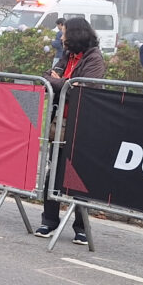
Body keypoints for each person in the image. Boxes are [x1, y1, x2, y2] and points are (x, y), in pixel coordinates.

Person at [34, 16, 105, 245]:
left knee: (78, 177)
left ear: (75, 35)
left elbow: (83, 89)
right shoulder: (67, 56)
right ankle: (49, 221)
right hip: (59, 123)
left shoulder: (94, 59)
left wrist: (61, 81)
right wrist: (64, 82)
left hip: (82, 125)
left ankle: (81, 227)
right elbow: (46, 78)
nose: (61, 38)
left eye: (64, 33)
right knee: (52, 173)